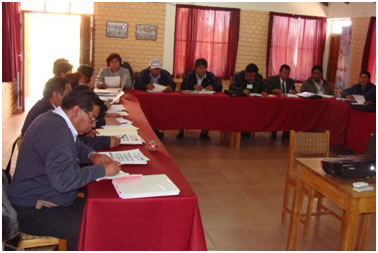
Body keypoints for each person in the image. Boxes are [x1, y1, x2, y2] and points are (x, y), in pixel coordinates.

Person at [8, 88, 121, 251]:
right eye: (92, 118)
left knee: (101, 210)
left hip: (46, 197)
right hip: (33, 209)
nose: (94, 124)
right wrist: (101, 170)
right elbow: (65, 181)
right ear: (76, 111)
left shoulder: (56, 120)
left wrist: (91, 155)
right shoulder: (55, 131)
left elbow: (76, 145)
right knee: (92, 227)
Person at [178, 58, 221, 140]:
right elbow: (183, 86)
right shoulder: (190, 75)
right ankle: (181, 131)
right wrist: (193, 86)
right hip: (190, 102)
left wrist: (213, 87)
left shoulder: (210, 75)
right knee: (182, 109)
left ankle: (204, 133)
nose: (202, 70)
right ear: (195, 68)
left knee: (208, 111)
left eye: (204, 68)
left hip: (205, 102)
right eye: (200, 68)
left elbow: (219, 87)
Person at [135, 59, 176, 139]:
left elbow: (172, 84)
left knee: (159, 112)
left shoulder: (165, 73)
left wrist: (170, 87)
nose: (156, 71)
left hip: (161, 100)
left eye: (158, 69)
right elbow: (136, 84)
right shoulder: (144, 73)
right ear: (149, 68)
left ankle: (156, 129)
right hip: (148, 99)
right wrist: (145, 86)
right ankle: (148, 129)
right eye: (154, 69)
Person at [231, 63, 268, 138]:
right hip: (240, 104)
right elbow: (232, 87)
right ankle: (243, 130)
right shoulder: (238, 76)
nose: (252, 78)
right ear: (246, 72)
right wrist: (242, 90)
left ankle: (249, 129)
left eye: (254, 76)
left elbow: (264, 88)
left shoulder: (259, 77)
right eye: (250, 75)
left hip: (254, 104)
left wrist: (264, 91)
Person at [265, 64, 296, 140]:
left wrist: (294, 92)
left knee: (291, 113)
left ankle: (286, 132)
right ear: (280, 72)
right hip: (275, 105)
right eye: (284, 73)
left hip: (287, 106)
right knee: (276, 113)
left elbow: (295, 92)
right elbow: (265, 90)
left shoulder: (291, 81)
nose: (286, 75)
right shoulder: (272, 80)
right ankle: (274, 131)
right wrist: (273, 91)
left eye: (288, 73)